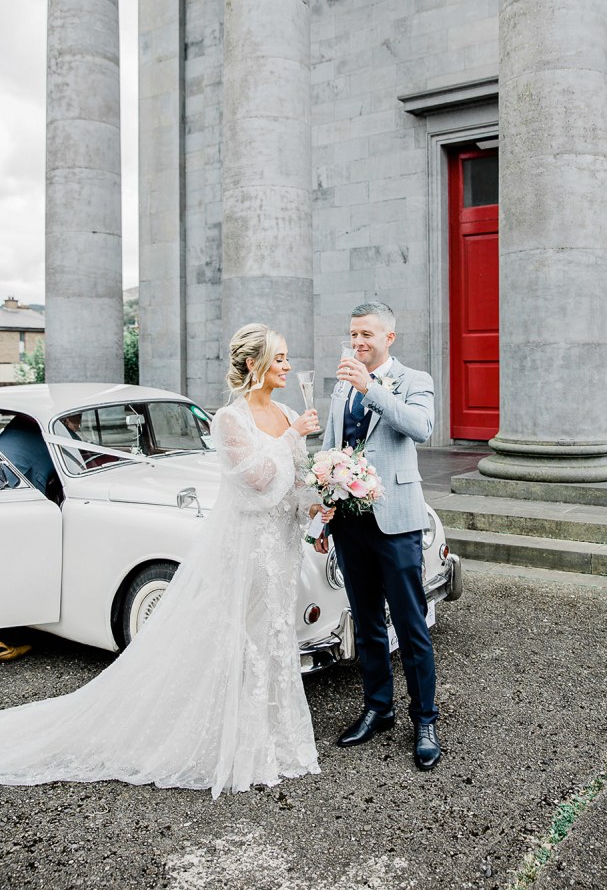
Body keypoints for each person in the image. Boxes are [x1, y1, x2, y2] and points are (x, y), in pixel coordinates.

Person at [0, 324, 326, 797]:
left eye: (287, 358)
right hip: (247, 544)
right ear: (255, 365)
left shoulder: (287, 411)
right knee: (233, 637)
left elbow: (291, 481)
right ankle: (224, 740)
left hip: (279, 545)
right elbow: (255, 479)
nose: (288, 366)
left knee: (272, 634)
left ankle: (270, 740)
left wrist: (318, 501)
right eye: (279, 359)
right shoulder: (229, 421)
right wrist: (291, 435)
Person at [318, 302, 441, 771]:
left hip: (396, 523)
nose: (357, 342)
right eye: (353, 334)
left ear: (389, 336)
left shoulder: (415, 380)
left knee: (411, 627)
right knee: (367, 623)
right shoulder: (340, 385)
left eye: (366, 334)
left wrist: (370, 388)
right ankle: (378, 708)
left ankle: (425, 719)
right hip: (351, 523)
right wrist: (324, 517)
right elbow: (334, 447)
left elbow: (421, 428)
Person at [0, 414, 57, 495]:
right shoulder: (60, 434)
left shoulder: (21, 419)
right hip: (15, 478)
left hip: (10, 469)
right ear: (67, 421)